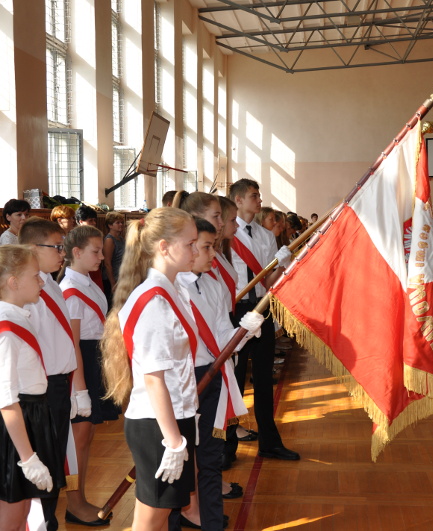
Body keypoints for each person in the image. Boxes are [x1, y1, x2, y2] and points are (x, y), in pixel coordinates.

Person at [100, 208, 200, 531]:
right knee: (151, 520)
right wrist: (174, 441)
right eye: (191, 244)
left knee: (155, 515)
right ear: (164, 247)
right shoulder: (154, 301)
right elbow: (154, 380)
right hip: (158, 424)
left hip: (173, 417)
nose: (196, 251)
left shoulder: (174, 290)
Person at [0, 245, 65, 528]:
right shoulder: (5, 329)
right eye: (36, 276)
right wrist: (28, 458)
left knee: (22, 513)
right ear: (13, 283)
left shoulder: (15, 318)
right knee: (12, 514)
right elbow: (6, 400)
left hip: (30, 417)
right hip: (16, 425)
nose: (42, 281)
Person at [176, 217, 262, 531]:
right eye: (206, 246)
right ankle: (181, 516)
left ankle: (211, 522)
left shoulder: (211, 283)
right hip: (183, 380)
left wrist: (244, 332)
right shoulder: (172, 289)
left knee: (210, 457)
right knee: (181, 462)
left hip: (213, 378)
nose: (214, 253)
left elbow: (222, 335)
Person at [19, 218, 93, 530]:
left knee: (56, 459)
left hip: (59, 385)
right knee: (46, 463)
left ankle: (49, 520)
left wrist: (77, 389)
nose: (61, 253)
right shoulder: (26, 288)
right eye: (56, 247)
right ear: (32, 249)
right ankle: (43, 523)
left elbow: (63, 340)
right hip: (41, 389)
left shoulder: (49, 282)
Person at [226, 179, 299, 464]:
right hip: (236, 311)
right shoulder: (227, 234)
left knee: (264, 379)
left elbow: (268, 282)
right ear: (239, 200)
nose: (259, 200)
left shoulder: (265, 235)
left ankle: (270, 442)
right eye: (253, 196)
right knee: (234, 381)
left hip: (261, 308)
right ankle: (227, 447)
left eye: (258, 196)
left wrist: (281, 265)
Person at [60, 225, 120, 526]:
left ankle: (79, 497)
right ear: (77, 253)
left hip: (93, 358)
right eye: (95, 251)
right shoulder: (70, 291)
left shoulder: (88, 282)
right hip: (79, 364)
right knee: (78, 438)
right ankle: (74, 502)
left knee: (87, 434)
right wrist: (80, 389)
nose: (101, 256)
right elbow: (72, 345)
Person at [102, 211, 126, 306]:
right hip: (112, 279)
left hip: (120, 277)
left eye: (122, 222)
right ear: (110, 225)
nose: (121, 225)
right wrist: (113, 283)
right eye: (117, 223)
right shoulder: (109, 240)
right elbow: (107, 263)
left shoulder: (121, 239)